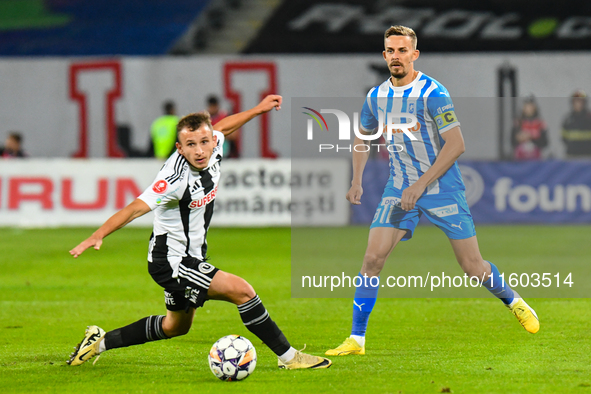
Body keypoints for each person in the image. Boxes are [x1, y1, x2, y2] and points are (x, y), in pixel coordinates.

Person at [67, 95, 331, 370]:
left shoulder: (214, 146)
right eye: (191, 145)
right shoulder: (173, 180)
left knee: (175, 327)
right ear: (180, 149)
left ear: (213, 142)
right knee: (243, 292)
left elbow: (224, 127)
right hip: (172, 261)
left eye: (204, 142)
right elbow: (134, 208)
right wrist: (98, 234)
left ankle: (98, 343)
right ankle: (289, 358)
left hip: (190, 254)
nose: (200, 150)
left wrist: (258, 110)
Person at [325, 26, 539, 357]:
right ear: (384, 56)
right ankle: (357, 340)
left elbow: (457, 144)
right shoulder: (375, 97)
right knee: (371, 259)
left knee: (472, 266)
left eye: (402, 50)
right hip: (399, 188)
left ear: (415, 54)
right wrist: (357, 180)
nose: (396, 56)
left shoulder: (433, 92)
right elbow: (361, 137)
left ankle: (513, 300)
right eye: (390, 51)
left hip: (441, 188)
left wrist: (421, 184)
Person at [511, 95, 548, 160]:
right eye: (527, 106)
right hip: (521, 158)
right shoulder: (518, 123)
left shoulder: (540, 123)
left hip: (536, 157)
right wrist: (519, 138)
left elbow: (545, 143)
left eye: (531, 106)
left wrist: (531, 138)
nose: (529, 108)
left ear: (534, 107)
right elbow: (512, 141)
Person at [562, 90, 591, 158]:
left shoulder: (589, 118)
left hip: (588, 156)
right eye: (576, 102)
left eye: (581, 101)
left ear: (584, 103)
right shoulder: (568, 120)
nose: (579, 104)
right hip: (572, 156)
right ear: (572, 103)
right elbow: (563, 137)